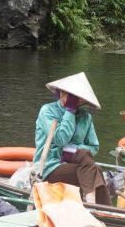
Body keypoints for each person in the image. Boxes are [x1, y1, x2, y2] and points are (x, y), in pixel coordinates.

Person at [33, 72, 113, 203]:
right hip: (51, 166)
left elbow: (94, 146)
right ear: (59, 92)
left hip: (77, 162)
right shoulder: (47, 111)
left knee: (92, 165)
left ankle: (100, 209)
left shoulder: (85, 117)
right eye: (64, 93)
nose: (65, 98)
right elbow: (60, 140)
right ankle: (100, 207)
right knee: (94, 169)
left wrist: (74, 151)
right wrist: (69, 111)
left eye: (72, 97)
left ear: (80, 100)